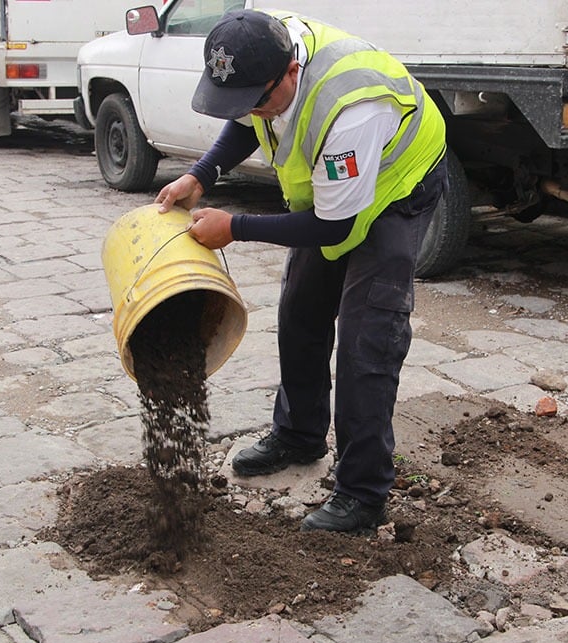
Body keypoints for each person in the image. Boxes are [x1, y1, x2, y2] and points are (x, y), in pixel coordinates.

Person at [156, 9, 447, 534]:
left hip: (397, 187)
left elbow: (335, 228)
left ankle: (362, 493)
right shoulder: (262, 47)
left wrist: (236, 227)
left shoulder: (353, 108)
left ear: (291, 72)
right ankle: (298, 435)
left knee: (367, 340)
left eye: (259, 99)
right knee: (300, 313)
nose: (253, 112)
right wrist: (200, 176)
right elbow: (246, 122)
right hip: (334, 195)